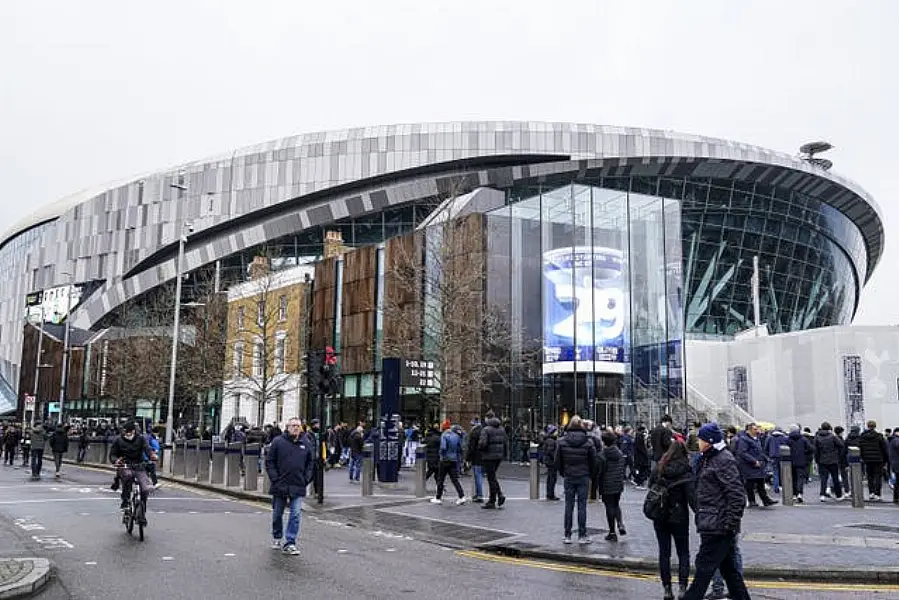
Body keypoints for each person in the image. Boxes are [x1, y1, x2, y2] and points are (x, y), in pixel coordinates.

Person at [680, 423, 749, 600]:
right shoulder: (708, 458)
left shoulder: (723, 460)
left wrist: (730, 524)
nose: (699, 442)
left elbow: (736, 495)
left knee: (703, 570)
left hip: (718, 526)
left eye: (701, 439)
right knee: (730, 572)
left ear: (709, 441)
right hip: (712, 522)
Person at [649, 439, 696, 600]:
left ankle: (667, 589)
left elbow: (651, 487)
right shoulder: (686, 471)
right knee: (683, 553)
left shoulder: (659, 468)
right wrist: (701, 515)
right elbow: (692, 499)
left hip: (660, 515)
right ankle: (683, 587)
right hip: (680, 516)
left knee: (664, 553)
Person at [265, 417, 314, 555]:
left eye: (298, 426)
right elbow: (270, 461)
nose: (296, 428)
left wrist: (306, 479)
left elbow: (311, 462)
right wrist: (275, 479)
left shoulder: (306, 443)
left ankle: (290, 542)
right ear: (287, 427)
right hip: (280, 485)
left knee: (296, 514)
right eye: (293, 426)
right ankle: (277, 536)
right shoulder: (278, 442)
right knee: (277, 514)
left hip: (298, 484)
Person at [554, 416, 596, 544]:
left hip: (569, 475)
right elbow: (593, 461)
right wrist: (590, 474)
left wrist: (563, 472)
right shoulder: (588, 442)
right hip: (583, 476)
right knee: (582, 506)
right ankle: (582, 535)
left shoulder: (562, 441)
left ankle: (567, 535)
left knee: (569, 506)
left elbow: (557, 461)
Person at [108, 422, 157, 521]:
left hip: (139, 466)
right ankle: (125, 501)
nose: (127, 434)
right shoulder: (118, 440)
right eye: (125, 432)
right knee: (128, 476)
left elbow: (147, 449)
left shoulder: (141, 439)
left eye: (129, 432)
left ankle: (142, 511)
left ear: (133, 431)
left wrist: (152, 455)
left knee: (145, 489)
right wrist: (116, 461)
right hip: (125, 465)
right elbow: (112, 454)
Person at [735, 422, 777, 507]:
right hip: (749, 465)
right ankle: (752, 501)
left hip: (758, 464)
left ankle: (766, 500)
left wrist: (766, 459)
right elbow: (742, 452)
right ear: (749, 430)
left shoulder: (756, 439)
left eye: (757, 429)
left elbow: (760, 451)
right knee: (750, 483)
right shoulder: (744, 439)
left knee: (760, 482)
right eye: (755, 429)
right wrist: (753, 461)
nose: (757, 430)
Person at [596, 431, 627, 541]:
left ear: (604, 442)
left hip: (607, 484)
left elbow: (599, 472)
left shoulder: (602, 455)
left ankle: (612, 532)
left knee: (609, 507)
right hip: (618, 483)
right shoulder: (619, 453)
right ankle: (620, 523)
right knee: (616, 504)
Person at [431, 420, 468, 505]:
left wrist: (441, 455)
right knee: (455, 480)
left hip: (445, 460)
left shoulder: (444, 435)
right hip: (454, 460)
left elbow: (443, 447)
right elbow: (460, 448)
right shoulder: (456, 436)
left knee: (440, 479)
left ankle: (438, 497)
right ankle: (461, 496)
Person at [478, 412, 507, 509]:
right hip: (498, 456)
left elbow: (483, 443)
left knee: (491, 478)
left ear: (487, 419)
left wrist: (480, 450)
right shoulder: (501, 429)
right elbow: (505, 442)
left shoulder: (486, 430)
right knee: (493, 477)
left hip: (489, 456)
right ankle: (497, 496)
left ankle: (494, 499)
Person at [857, 419, 889, 501]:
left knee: (870, 476)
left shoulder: (862, 436)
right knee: (878, 477)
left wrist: (863, 457)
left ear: (867, 426)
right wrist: (886, 460)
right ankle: (877, 494)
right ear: (875, 427)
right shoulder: (879, 436)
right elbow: (884, 449)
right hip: (878, 460)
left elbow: (860, 447)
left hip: (867, 460)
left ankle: (871, 493)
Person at [814, 422, 845, 501]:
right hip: (833, 460)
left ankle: (822, 495)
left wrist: (817, 460)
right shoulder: (832, 437)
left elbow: (816, 450)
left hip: (822, 460)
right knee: (835, 478)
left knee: (823, 478)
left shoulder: (817, 437)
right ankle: (838, 495)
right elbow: (841, 445)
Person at [467, 418, 485, 503]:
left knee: (478, 476)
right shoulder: (484, 430)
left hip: (476, 457)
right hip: (484, 457)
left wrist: (468, 459)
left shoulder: (474, 433)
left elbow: (471, 447)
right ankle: (478, 494)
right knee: (480, 475)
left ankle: (479, 495)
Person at [541, 425, 560, 501]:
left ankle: (549, 493)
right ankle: (551, 494)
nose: (557, 432)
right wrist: (556, 459)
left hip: (549, 461)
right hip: (551, 462)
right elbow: (551, 452)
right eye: (556, 431)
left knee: (550, 477)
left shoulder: (549, 439)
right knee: (552, 478)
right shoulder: (551, 440)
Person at [888, 428, 899, 504]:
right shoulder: (896, 440)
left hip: (895, 463)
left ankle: (896, 497)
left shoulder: (892, 440)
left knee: (897, 482)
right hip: (897, 463)